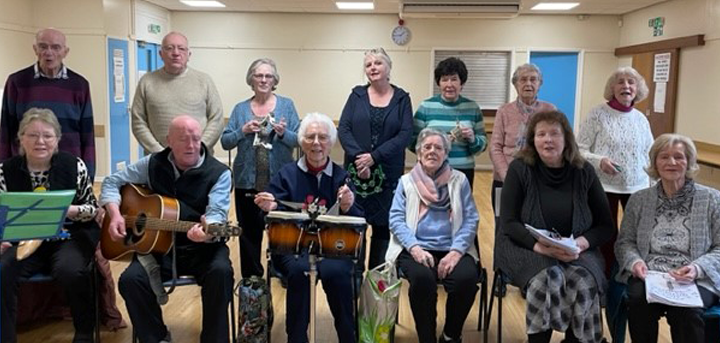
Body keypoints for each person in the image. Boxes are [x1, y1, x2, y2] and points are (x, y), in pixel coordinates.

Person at [100, 115, 233, 343]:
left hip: (202, 248)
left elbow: (216, 213)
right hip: (159, 249)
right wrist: (114, 215)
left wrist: (208, 231)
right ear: (168, 140)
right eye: (183, 139)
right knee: (130, 281)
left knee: (221, 274)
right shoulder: (153, 162)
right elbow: (112, 182)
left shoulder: (219, 172)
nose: (192, 146)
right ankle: (156, 337)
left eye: (196, 139)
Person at [495, 110, 615, 343]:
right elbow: (508, 223)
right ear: (533, 140)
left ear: (566, 139)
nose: (547, 139)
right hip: (526, 247)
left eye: (554, 134)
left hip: (577, 250)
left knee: (584, 280)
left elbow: (605, 225)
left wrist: (580, 244)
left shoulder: (584, 171)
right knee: (548, 278)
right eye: (541, 134)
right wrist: (542, 248)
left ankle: (577, 340)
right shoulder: (520, 169)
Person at [254, 112, 362, 343]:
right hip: (294, 247)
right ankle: (296, 337)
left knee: (338, 274)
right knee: (300, 273)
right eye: (310, 137)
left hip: (334, 247)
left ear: (331, 143)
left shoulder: (343, 177)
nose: (316, 143)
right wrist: (270, 205)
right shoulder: (287, 174)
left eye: (322, 137)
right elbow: (268, 213)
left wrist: (349, 205)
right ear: (301, 141)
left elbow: (359, 220)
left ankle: (348, 336)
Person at [1, 108, 99, 343]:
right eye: (32, 135)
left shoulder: (75, 165)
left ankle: (84, 333)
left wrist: (71, 210)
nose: (40, 141)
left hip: (67, 237)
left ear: (57, 139)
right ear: (21, 138)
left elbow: (93, 208)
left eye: (47, 135)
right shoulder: (5, 170)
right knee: (2, 271)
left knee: (72, 270)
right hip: (21, 239)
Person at [615, 134, 720, 343]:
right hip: (650, 273)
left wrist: (697, 269)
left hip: (696, 276)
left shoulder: (712, 199)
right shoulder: (639, 200)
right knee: (637, 302)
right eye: (664, 157)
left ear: (689, 162)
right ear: (655, 162)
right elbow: (625, 241)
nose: (671, 162)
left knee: (687, 313)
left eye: (679, 157)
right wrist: (635, 262)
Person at [386, 128, 480, 343]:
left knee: (466, 280)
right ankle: (426, 338)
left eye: (438, 148)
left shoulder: (460, 180)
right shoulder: (406, 182)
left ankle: (450, 335)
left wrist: (456, 252)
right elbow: (396, 220)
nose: (432, 151)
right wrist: (415, 248)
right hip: (415, 247)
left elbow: (470, 219)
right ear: (418, 153)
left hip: (453, 247)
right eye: (427, 147)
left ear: (446, 154)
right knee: (421, 280)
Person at [221, 58, 300, 278]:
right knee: (249, 233)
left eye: (268, 76)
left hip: (280, 181)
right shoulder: (240, 109)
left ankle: (281, 270)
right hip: (248, 181)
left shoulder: (287, 105)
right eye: (259, 75)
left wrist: (283, 133)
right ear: (251, 79)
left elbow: (299, 140)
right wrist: (242, 131)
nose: (263, 80)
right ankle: (252, 278)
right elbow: (226, 142)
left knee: (281, 229)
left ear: (275, 80)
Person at [338, 47, 413, 270]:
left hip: (387, 174)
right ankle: (354, 276)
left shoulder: (401, 99)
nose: (373, 67)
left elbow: (405, 134)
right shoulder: (356, 96)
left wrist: (374, 157)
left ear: (389, 68)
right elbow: (344, 129)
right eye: (368, 65)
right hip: (357, 173)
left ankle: (376, 278)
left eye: (378, 63)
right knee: (355, 223)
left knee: (382, 228)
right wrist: (361, 158)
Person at [489, 64, 555, 297]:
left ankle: (530, 274)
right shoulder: (504, 111)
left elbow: (556, 145)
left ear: (540, 83)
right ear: (515, 84)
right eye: (523, 80)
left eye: (533, 79)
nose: (528, 84)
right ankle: (501, 274)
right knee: (502, 227)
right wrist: (509, 177)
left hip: (538, 183)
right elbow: (495, 147)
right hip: (504, 181)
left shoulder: (549, 110)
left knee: (533, 228)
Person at [1, 28, 95, 177]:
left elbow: (87, 136)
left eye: (56, 47)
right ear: (35, 49)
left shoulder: (80, 85)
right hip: (24, 170)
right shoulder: (16, 82)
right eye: (43, 46)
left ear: (65, 52)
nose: (49, 52)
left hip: (68, 168)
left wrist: (88, 174)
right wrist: (3, 170)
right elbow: (6, 131)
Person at [131, 31, 224, 154]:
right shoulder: (146, 82)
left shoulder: (204, 81)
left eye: (181, 49)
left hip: (198, 159)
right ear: (160, 54)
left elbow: (216, 119)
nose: (175, 53)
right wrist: (160, 153)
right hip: (159, 160)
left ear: (189, 54)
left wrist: (198, 148)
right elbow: (138, 121)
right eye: (169, 48)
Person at [410, 57, 487, 188]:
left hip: (463, 171)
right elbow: (412, 141)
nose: (449, 84)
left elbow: (483, 145)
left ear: (461, 83)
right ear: (439, 83)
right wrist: (432, 146)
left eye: (454, 79)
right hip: (431, 170)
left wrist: (473, 139)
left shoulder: (472, 107)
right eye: (444, 79)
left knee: (460, 208)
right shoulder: (426, 106)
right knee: (429, 207)